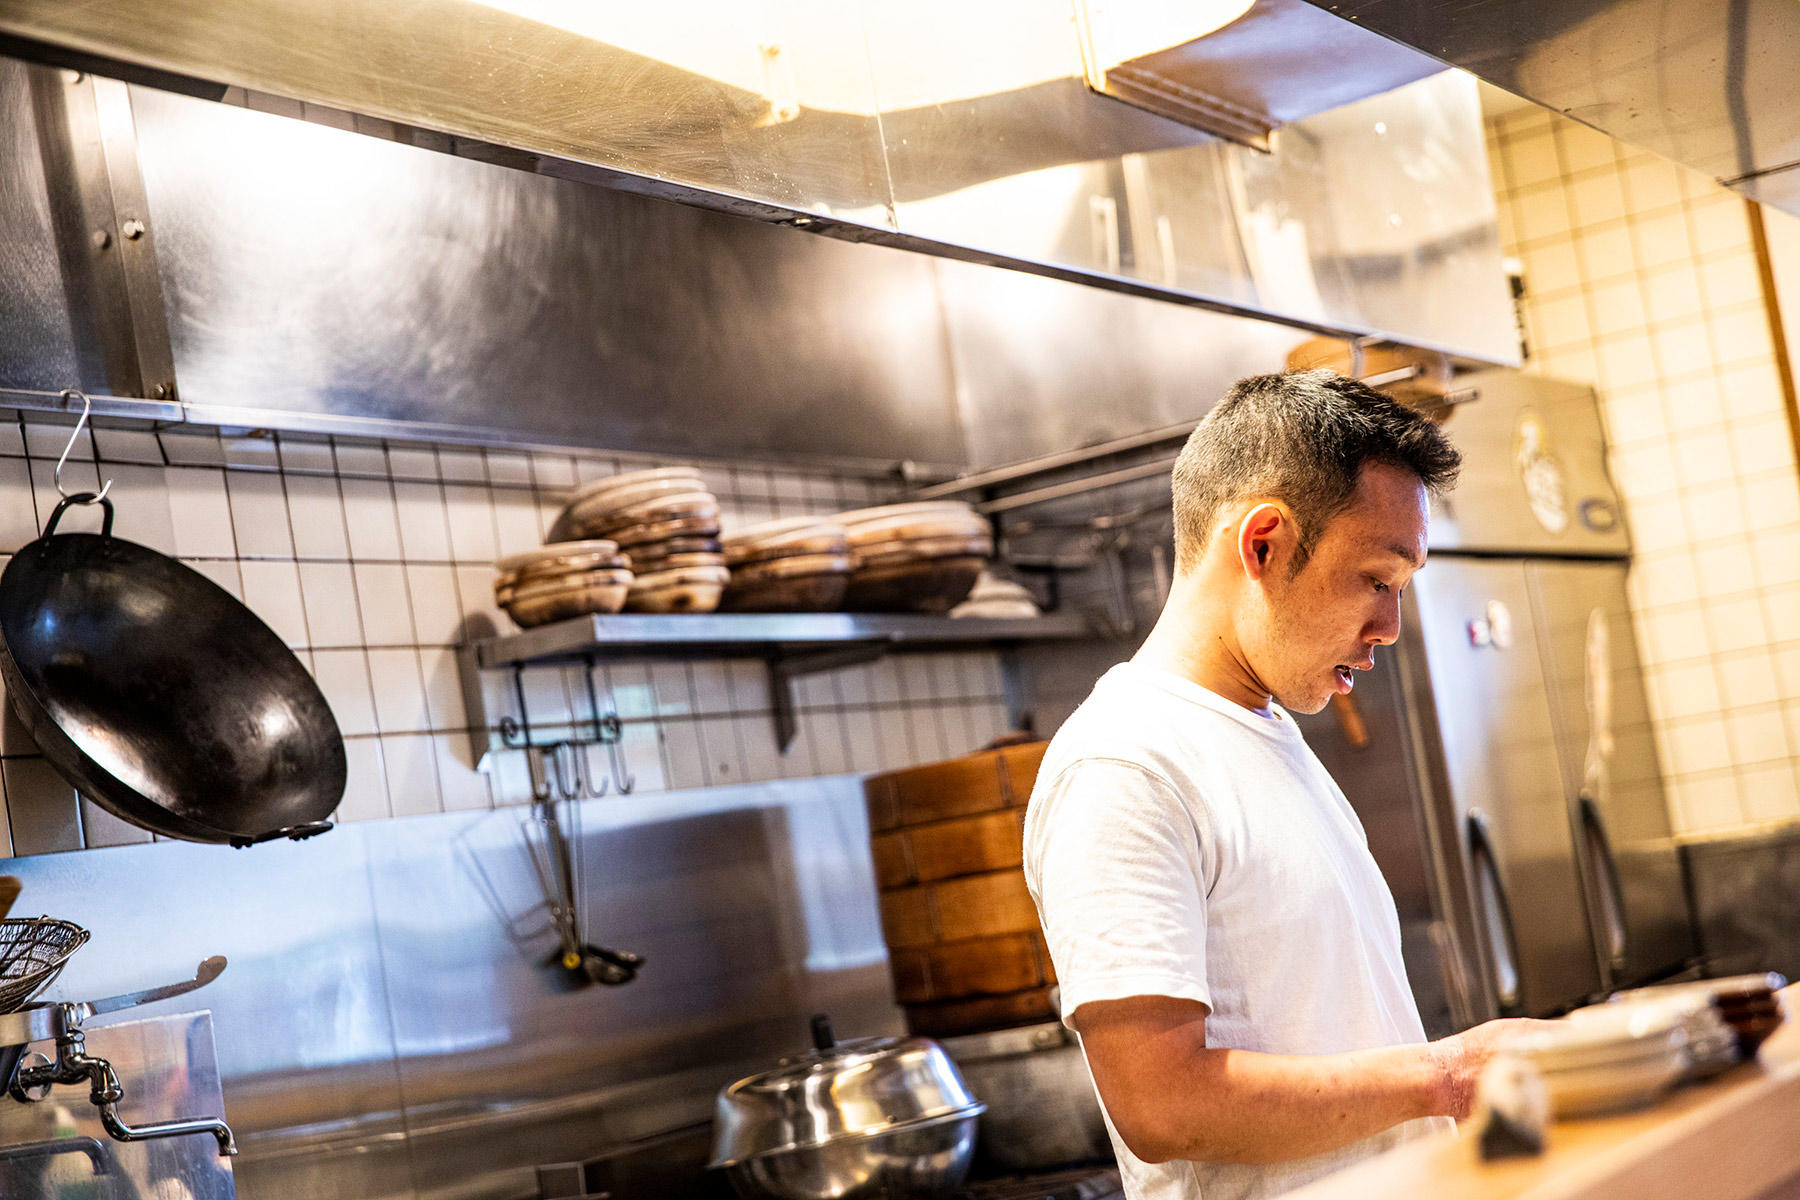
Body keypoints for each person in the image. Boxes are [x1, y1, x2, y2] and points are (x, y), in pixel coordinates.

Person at [1023, 370, 1543, 1200]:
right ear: (1262, 543)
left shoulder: (1266, 734)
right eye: (1377, 580)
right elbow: (1162, 1103)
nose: (1390, 629)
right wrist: (1446, 1074)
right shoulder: (1124, 767)